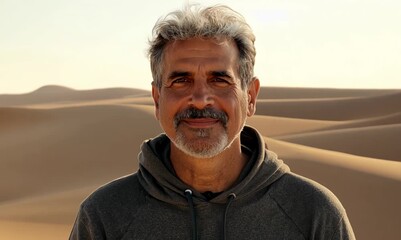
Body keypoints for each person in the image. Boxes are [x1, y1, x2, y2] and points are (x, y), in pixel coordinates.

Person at [70, 4, 355, 240]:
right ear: (157, 99)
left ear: (251, 97)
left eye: (220, 80)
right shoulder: (105, 215)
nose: (200, 99)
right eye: (181, 80)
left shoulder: (312, 212)